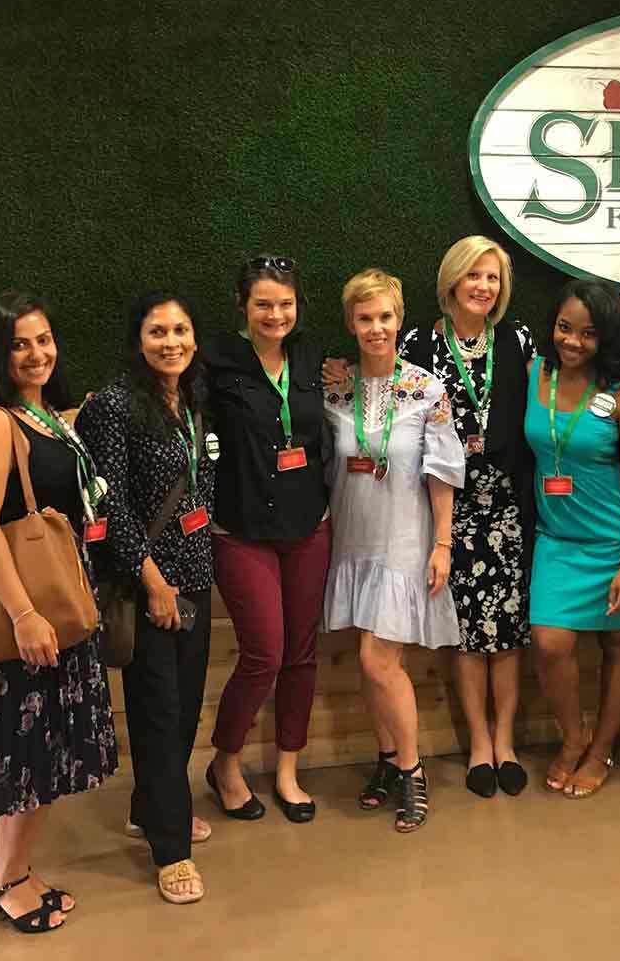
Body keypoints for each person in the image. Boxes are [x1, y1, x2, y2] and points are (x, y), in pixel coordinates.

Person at [0, 291, 117, 933]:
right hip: (26, 618)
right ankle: (5, 879)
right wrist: (24, 614)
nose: (37, 353)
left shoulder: (49, 414)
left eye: (44, 339)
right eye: (21, 343)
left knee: (46, 753)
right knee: (24, 754)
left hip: (63, 605)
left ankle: (15, 868)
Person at [75, 292, 215, 904]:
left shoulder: (191, 399)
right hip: (148, 582)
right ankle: (171, 849)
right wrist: (151, 579)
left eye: (181, 329)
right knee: (158, 713)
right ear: (137, 340)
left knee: (183, 708)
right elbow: (107, 501)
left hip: (197, 573)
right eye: (158, 331)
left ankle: (150, 807)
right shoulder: (112, 406)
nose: (172, 342)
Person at [323, 268, 466, 832]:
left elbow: (443, 470)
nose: (376, 328)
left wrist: (443, 543)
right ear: (351, 324)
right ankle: (386, 760)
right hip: (352, 537)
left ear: (399, 320)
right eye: (365, 318)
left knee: (377, 659)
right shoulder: (334, 385)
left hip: (406, 539)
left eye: (385, 317)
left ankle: (412, 771)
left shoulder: (428, 389)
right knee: (372, 662)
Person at [396, 237, 536, 798]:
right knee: (469, 634)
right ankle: (478, 742)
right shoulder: (417, 344)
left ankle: (506, 741)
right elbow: (399, 418)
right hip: (448, 510)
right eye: (474, 276)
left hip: (509, 506)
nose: (483, 287)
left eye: (493, 278)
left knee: (507, 633)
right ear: (452, 280)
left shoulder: (517, 338)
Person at [203, 256, 331, 825]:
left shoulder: (309, 356)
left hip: (308, 525)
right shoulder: (214, 362)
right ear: (242, 306)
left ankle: (287, 770)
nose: (275, 314)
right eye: (263, 304)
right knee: (264, 653)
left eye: (285, 303)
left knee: (301, 656)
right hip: (242, 530)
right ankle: (224, 764)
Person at [525, 279, 620, 799]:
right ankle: (573, 735)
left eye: (588, 333)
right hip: (556, 538)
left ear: (609, 337)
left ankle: (600, 748)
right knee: (550, 641)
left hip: (614, 542)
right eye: (564, 328)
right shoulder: (535, 372)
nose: (572, 342)